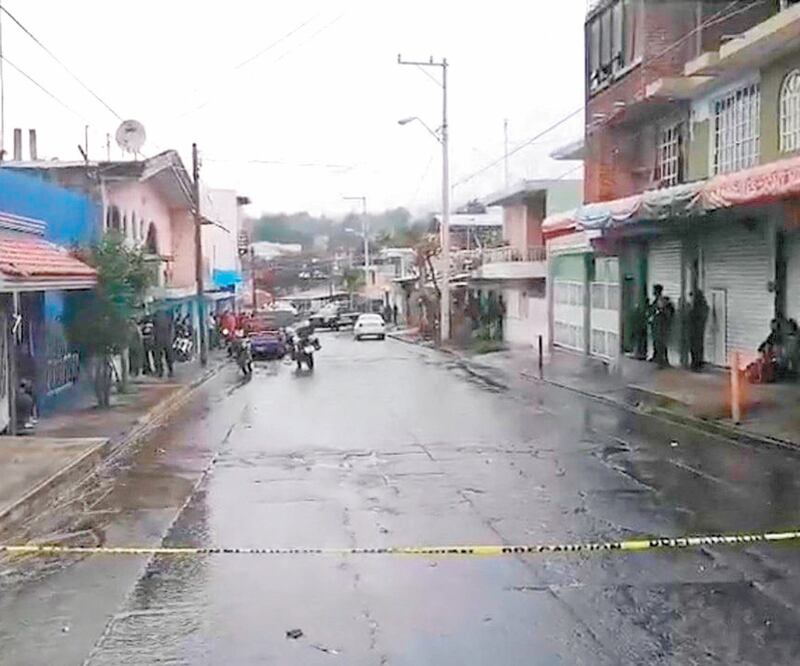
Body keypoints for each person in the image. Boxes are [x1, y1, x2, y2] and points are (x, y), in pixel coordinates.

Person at [649, 284, 675, 368]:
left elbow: (665, 313)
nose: (653, 292)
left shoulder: (662, 301)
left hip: (661, 326)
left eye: (654, 290)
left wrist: (659, 310)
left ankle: (662, 360)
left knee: (661, 343)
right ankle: (658, 358)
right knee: (657, 343)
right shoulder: (657, 301)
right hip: (656, 325)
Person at [688, 289, 709, 372]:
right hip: (695, 330)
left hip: (697, 330)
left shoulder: (699, 307)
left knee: (696, 347)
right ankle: (696, 363)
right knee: (696, 347)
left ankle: (696, 364)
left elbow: (698, 317)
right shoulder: (699, 306)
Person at [153, 308, 175, 378]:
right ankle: (163, 371)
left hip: (162, 337)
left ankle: (163, 371)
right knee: (161, 356)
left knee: (162, 356)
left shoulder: (165, 313)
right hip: (163, 338)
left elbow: (171, 326)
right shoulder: (166, 313)